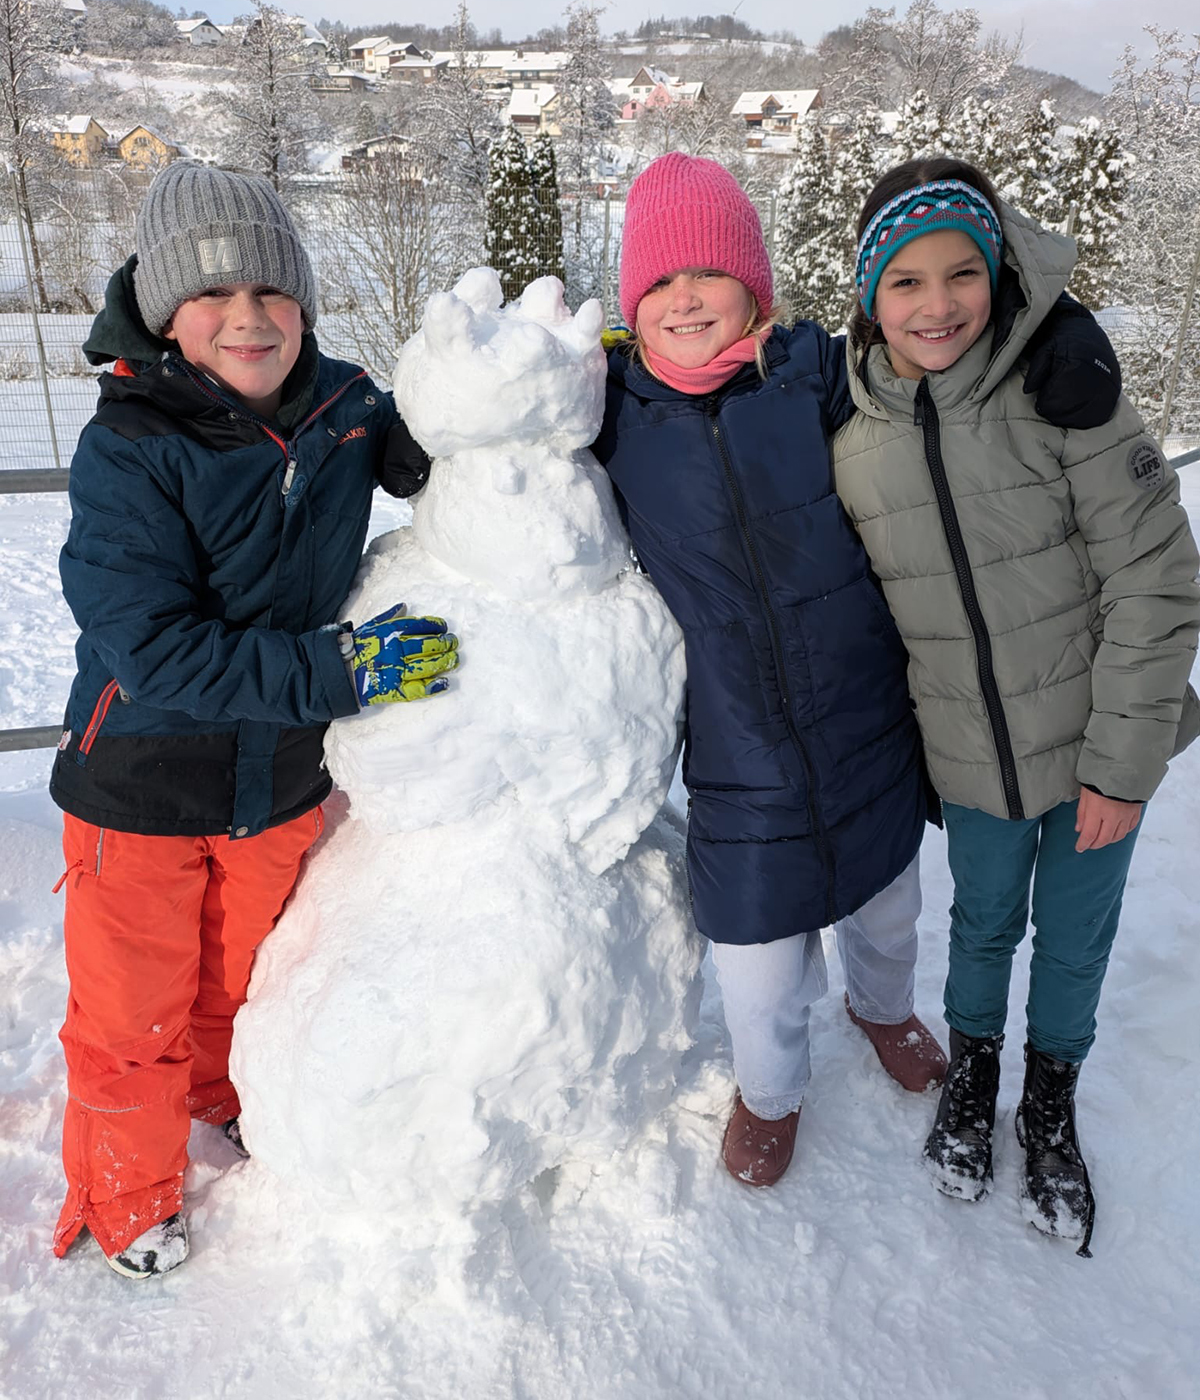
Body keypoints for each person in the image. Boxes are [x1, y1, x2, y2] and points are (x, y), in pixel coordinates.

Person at [591, 152, 1121, 1191]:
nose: (685, 297)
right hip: (737, 747)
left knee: (887, 910)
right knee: (756, 960)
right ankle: (768, 1090)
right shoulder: (607, 413)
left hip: (864, 720)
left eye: (709, 272)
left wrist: (1060, 336)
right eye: (659, 281)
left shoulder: (817, 377)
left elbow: (938, 371)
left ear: (756, 284)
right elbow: (500, 434)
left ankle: (880, 1010)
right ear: (630, 305)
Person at [49, 163, 460, 1279]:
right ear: (164, 312)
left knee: (237, 983)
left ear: (305, 304)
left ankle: (221, 1093)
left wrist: (540, 385)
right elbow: (155, 650)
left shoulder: (346, 406)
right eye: (214, 294)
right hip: (140, 786)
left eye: (272, 291)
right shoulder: (132, 446)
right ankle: (126, 1192)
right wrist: (343, 672)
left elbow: (449, 447)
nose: (249, 318)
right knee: (132, 1014)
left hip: (276, 779)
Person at [832, 156, 1200, 1255]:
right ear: (868, 296)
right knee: (983, 923)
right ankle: (974, 1072)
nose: (937, 304)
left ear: (998, 272)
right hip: (969, 754)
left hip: (1094, 750)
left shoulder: (1062, 391)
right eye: (905, 281)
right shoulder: (852, 434)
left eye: (962, 273)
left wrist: (1123, 763)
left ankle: (1050, 1098)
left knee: (1075, 940)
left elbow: (1157, 578)